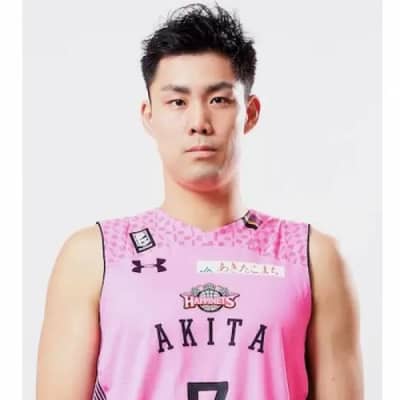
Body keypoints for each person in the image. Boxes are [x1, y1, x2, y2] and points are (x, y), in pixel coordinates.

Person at [36, 3, 364, 399]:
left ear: (250, 113)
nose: (198, 123)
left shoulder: (311, 256)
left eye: (219, 100)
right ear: (149, 115)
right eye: (177, 102)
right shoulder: (95, 255)